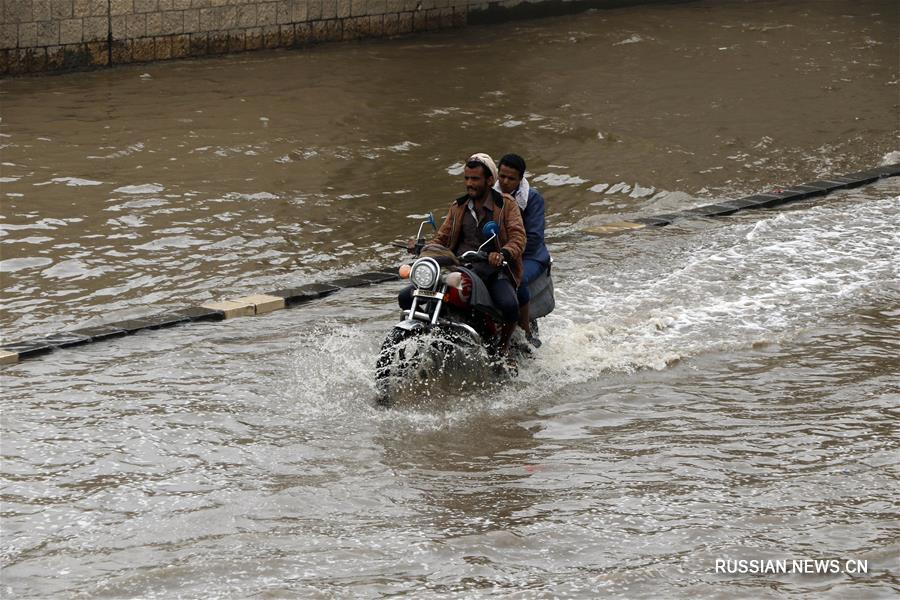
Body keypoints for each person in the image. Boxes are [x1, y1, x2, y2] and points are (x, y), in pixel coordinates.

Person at [399, 152, 526, 355]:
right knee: (406, 296)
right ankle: (432, 332)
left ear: (489, 180)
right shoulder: (458, 207)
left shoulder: (506, 205)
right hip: (458, 267)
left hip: (492, 269)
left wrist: (502, 254)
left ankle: (503, 350)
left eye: (475, 179)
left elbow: (518, 238)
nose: (470, 183)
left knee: (510, 305)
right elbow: (442, 238)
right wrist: (422, 247)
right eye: (467, 178)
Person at [494, 153, 551, 347]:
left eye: (511, 178)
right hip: (498, 254)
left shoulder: (532, 199)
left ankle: (526, 333)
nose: (505, 181)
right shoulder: (488, 195)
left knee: (517, 278)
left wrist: (509, 253)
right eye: (502, 176)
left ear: (520, 179)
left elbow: (534, 238)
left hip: (530, 255)